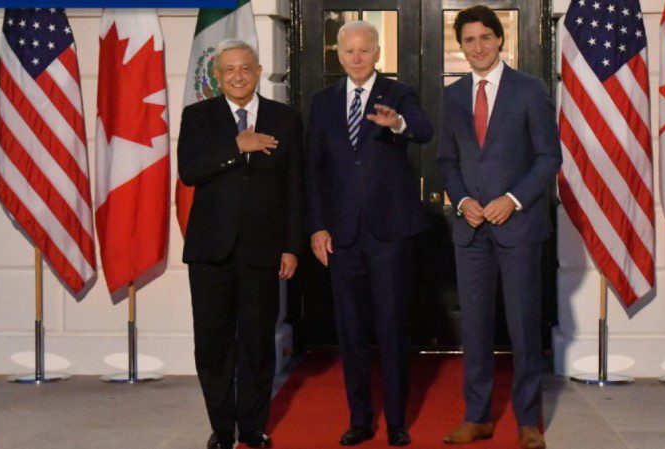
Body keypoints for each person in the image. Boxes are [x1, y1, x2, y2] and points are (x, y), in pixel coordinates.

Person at [437, 5, 561, 449]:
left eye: (485, 37)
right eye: (468, 40)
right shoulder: (452, 96)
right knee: (474, 327)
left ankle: (528, 421)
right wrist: (464, 201)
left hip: (519, 226)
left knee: (524, 325)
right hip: (470, 231)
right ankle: (478, 417)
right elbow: (446, 161)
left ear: (500, 39)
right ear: (462, 47)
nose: (478, 47)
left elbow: (550, 157)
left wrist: (512, 200)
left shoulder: (530, 89)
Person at [304, 20, 433, 447]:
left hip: (389, 234)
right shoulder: (322, 103)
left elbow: (423, 129)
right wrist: (318, 226)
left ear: (378, 53)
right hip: (342, 236)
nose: (356, 58)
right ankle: (360, 420)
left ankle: (396, 421)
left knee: (392, 328)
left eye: (364, 50)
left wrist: (397, 124)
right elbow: (314, 170)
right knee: (352, 331)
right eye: (348, 51)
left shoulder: (398, 94)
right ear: (338, 56)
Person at [177, 38, 303, 449]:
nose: (237, 76)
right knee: (213, 343)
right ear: (217, 75)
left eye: (245, 68)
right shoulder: (197, 117)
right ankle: (221, 428)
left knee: (256, 342)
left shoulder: (284, 118)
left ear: (258, 71)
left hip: (264, 250)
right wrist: (236, 146)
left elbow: (294, 188)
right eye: (229, 69)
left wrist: (290, 246)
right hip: (210, 250)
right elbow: (189, 172)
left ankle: (252, 426)